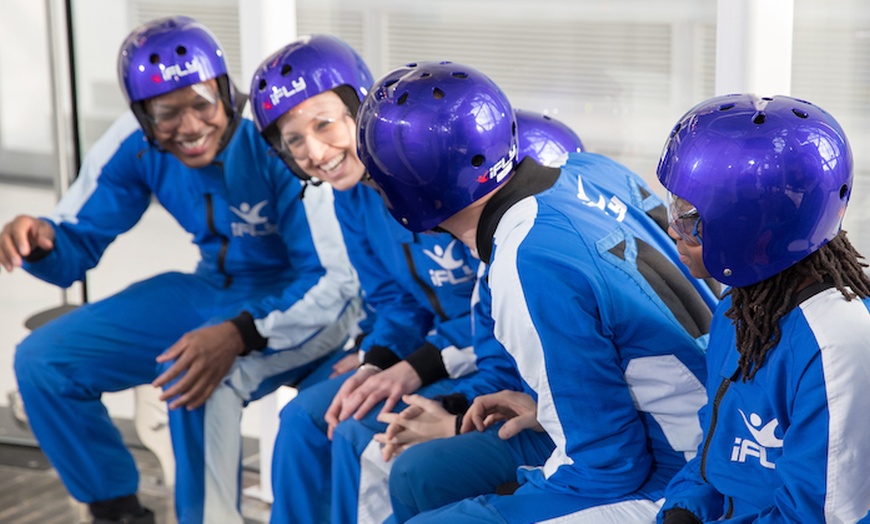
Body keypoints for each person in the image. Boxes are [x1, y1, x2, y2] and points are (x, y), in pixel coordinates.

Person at [4, 17, 360, 524]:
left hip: (305, 299)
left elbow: (332, 280)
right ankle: (116, 510)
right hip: (210, 287)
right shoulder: (135, 142)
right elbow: (75, 243)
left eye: (201, 104)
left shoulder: (283, 138)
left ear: (223, 90)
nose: (189, 127)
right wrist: (41, 240)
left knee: (195, 377)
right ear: (143, 117)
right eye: (166, 113)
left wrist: (236, 335)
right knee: (43, 360)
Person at [355, 60, 715, 523]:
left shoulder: (526, 259)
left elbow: (606, 468)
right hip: (685, 426)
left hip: (675, 474)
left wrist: (522, 489)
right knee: (421, 473)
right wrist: (549, 409)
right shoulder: (590, 169)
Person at [248, 34, 500, 524]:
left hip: (488, 354)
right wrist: (375, 363)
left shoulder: (432, 177)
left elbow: (497, 308)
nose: (315, 151)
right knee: (302, 417)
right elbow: (393, 301)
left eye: (323, 125)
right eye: (293, 139)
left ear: (358, 108)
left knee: (359, 434)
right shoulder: (349, 196)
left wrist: (413, 368)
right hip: (434, 353)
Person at [655, 94, 870, 523]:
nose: (672, 230)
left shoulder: (839, 345)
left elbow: (819, 515)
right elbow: (712, 452)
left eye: (688, 217)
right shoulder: (741, 304)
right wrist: (683, 510)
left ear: (748, 227)